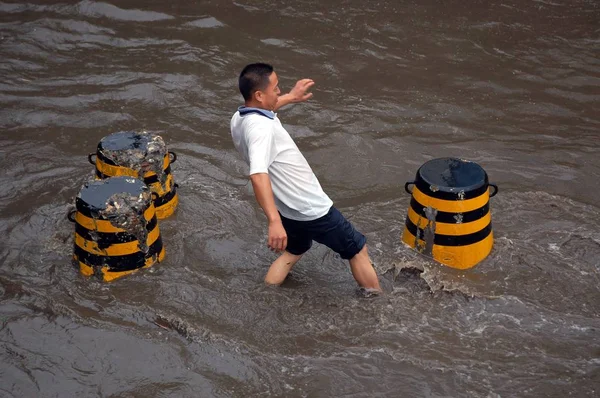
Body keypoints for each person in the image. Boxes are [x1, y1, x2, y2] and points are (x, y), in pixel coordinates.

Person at [230, 63, 381, 292]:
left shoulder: (240, 117)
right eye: (276, 88)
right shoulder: (260, 129)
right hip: (310, 208)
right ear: (260, 95)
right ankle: (377, 303)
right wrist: (274, 222)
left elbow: (267, 111)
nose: (279, 91)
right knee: (357, 249)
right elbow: (258, 175)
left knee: (294, 251)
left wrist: (291, 97)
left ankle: (265, 295)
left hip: (288, 208)